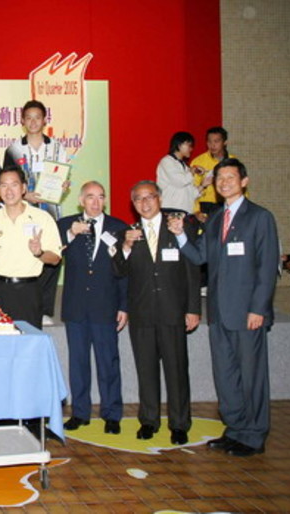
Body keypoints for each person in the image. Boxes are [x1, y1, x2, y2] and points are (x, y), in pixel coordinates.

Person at [168, 159, 279, 456]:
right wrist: (180, 234)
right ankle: (235, 429)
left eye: (231, 177)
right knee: (226, 375)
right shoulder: (215, 219)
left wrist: (259, 309)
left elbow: (267, 268)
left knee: (252, 376)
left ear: (244, 181)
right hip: (219, 313)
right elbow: (198, 256)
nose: (224, 182)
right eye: (220, 178)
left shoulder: (260, 217)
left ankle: (254, 435)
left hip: (247, 314)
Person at [112, 180, 200, 444]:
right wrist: (125, 247)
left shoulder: (179, 227)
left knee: (177, 369)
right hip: (142, 314)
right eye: (138, 199)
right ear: (133, 204)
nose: (144, 203)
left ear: (159, 198)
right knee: (146, 370)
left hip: (174, 311)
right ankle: (149, 420)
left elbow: (192, 271)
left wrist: (193, 308)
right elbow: (118, 271)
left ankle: (180, 424)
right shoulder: (129, 233)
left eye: (149, 197)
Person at [56, 181, 129, 435]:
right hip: (76, 305)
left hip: (105, 305)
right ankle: (80, 412)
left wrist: (124, 305)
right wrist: (71, 235)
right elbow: (52, 254)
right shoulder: (65, 225)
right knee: (78, 362)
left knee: (108, 361)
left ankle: (111, 413)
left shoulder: (119, 228)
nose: (96, 202)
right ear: (80, 200)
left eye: (100, 197)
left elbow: (124, 271)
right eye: (90, 197)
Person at [3, 101, 68, 326]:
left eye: (37, 117)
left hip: (50, 211)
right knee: (27, 254)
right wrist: (24, 195)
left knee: (51, 257)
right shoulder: (13, 149)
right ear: (22, 121)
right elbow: (8, 180)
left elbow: (64, 177)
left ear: (44, 120)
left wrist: (63, 186)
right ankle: (27, 305)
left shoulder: (58, 148)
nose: (33, 122)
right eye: (28, 117)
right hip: (24, 211)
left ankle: (45, 310)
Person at [0, 165, 62, 330]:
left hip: (29, 291)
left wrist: (40, 253)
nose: (9, 191)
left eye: (14, 184)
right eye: (3, 185)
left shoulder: (42, 218)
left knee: (28, 345)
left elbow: (55, 258)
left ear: (23, 188)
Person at [158, 131, 212, 215]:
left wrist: (203, 185)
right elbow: (180, 182)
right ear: (179, 145)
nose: (191, 149)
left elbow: (191, 194)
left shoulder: (185, 166)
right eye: (189, 145)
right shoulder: (167, 162)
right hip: (170, 210)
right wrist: (192, 171)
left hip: (184, 211)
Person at [189, 127, 235, 219]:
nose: (212, 145)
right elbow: (190, 189)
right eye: (209, 142)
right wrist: (196, 211)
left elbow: (240, 188)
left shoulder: (233, 162)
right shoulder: (198, 162)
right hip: (205, 208)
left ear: (225, 142)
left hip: (227, 206)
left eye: (216, 141)